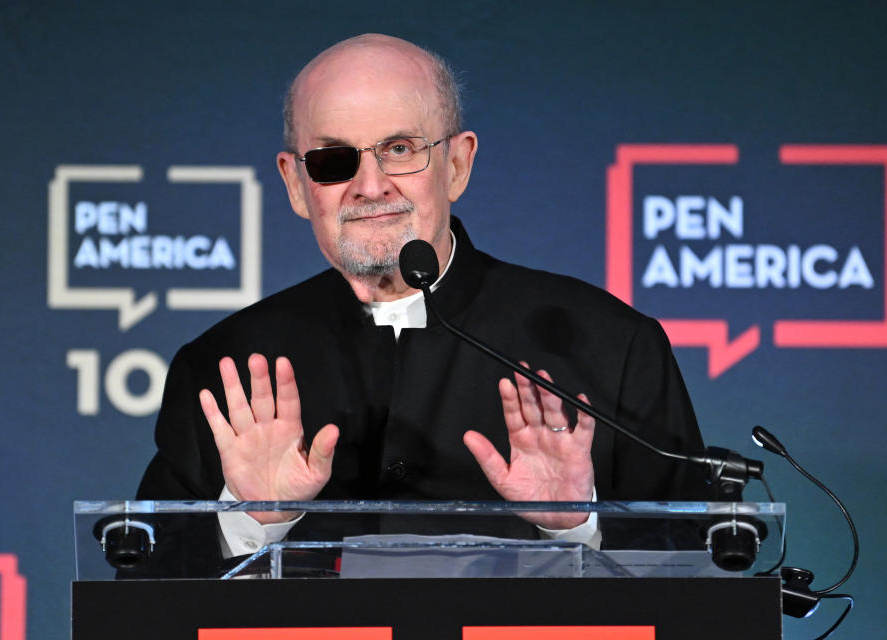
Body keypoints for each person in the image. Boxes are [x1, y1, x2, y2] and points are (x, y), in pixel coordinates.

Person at [137, 34, 710, 556]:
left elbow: (697, 586)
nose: (370, 185)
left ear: (457, 164)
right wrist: (251, 524)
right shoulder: (223, 366)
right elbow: (139, 598)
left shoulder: (611, 345)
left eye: (402, 149)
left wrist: (574, 528)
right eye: (334, 161)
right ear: (294, 183)